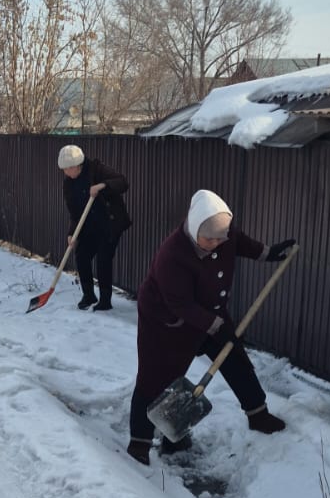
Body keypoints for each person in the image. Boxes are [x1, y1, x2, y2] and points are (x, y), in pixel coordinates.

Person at [127, 189, 296, 465]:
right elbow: (180, 304)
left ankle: (258, 414)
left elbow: (241, 243)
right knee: (155, 377)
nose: (216, 243)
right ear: (194, 229)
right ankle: (140, 443)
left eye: (221, 238)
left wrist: (270, 253)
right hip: (165, 321)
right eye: (209, 239)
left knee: (235, 358)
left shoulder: (223, 237)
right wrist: (217, 326)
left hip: (208, 313)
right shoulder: (173, 254)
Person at [57, 144, 131, 311]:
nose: (65, 173)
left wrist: (102, 186)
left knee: (103, 259)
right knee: (82, 255)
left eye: (67, 169)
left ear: (77, 165)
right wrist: (72, 233)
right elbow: (74, 212)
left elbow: (123, 182)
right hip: (89, 225)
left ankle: (105, 301)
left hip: (109, 223)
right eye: (64, 170)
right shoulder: (69, 184)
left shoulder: (97, 170)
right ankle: (88, 295)